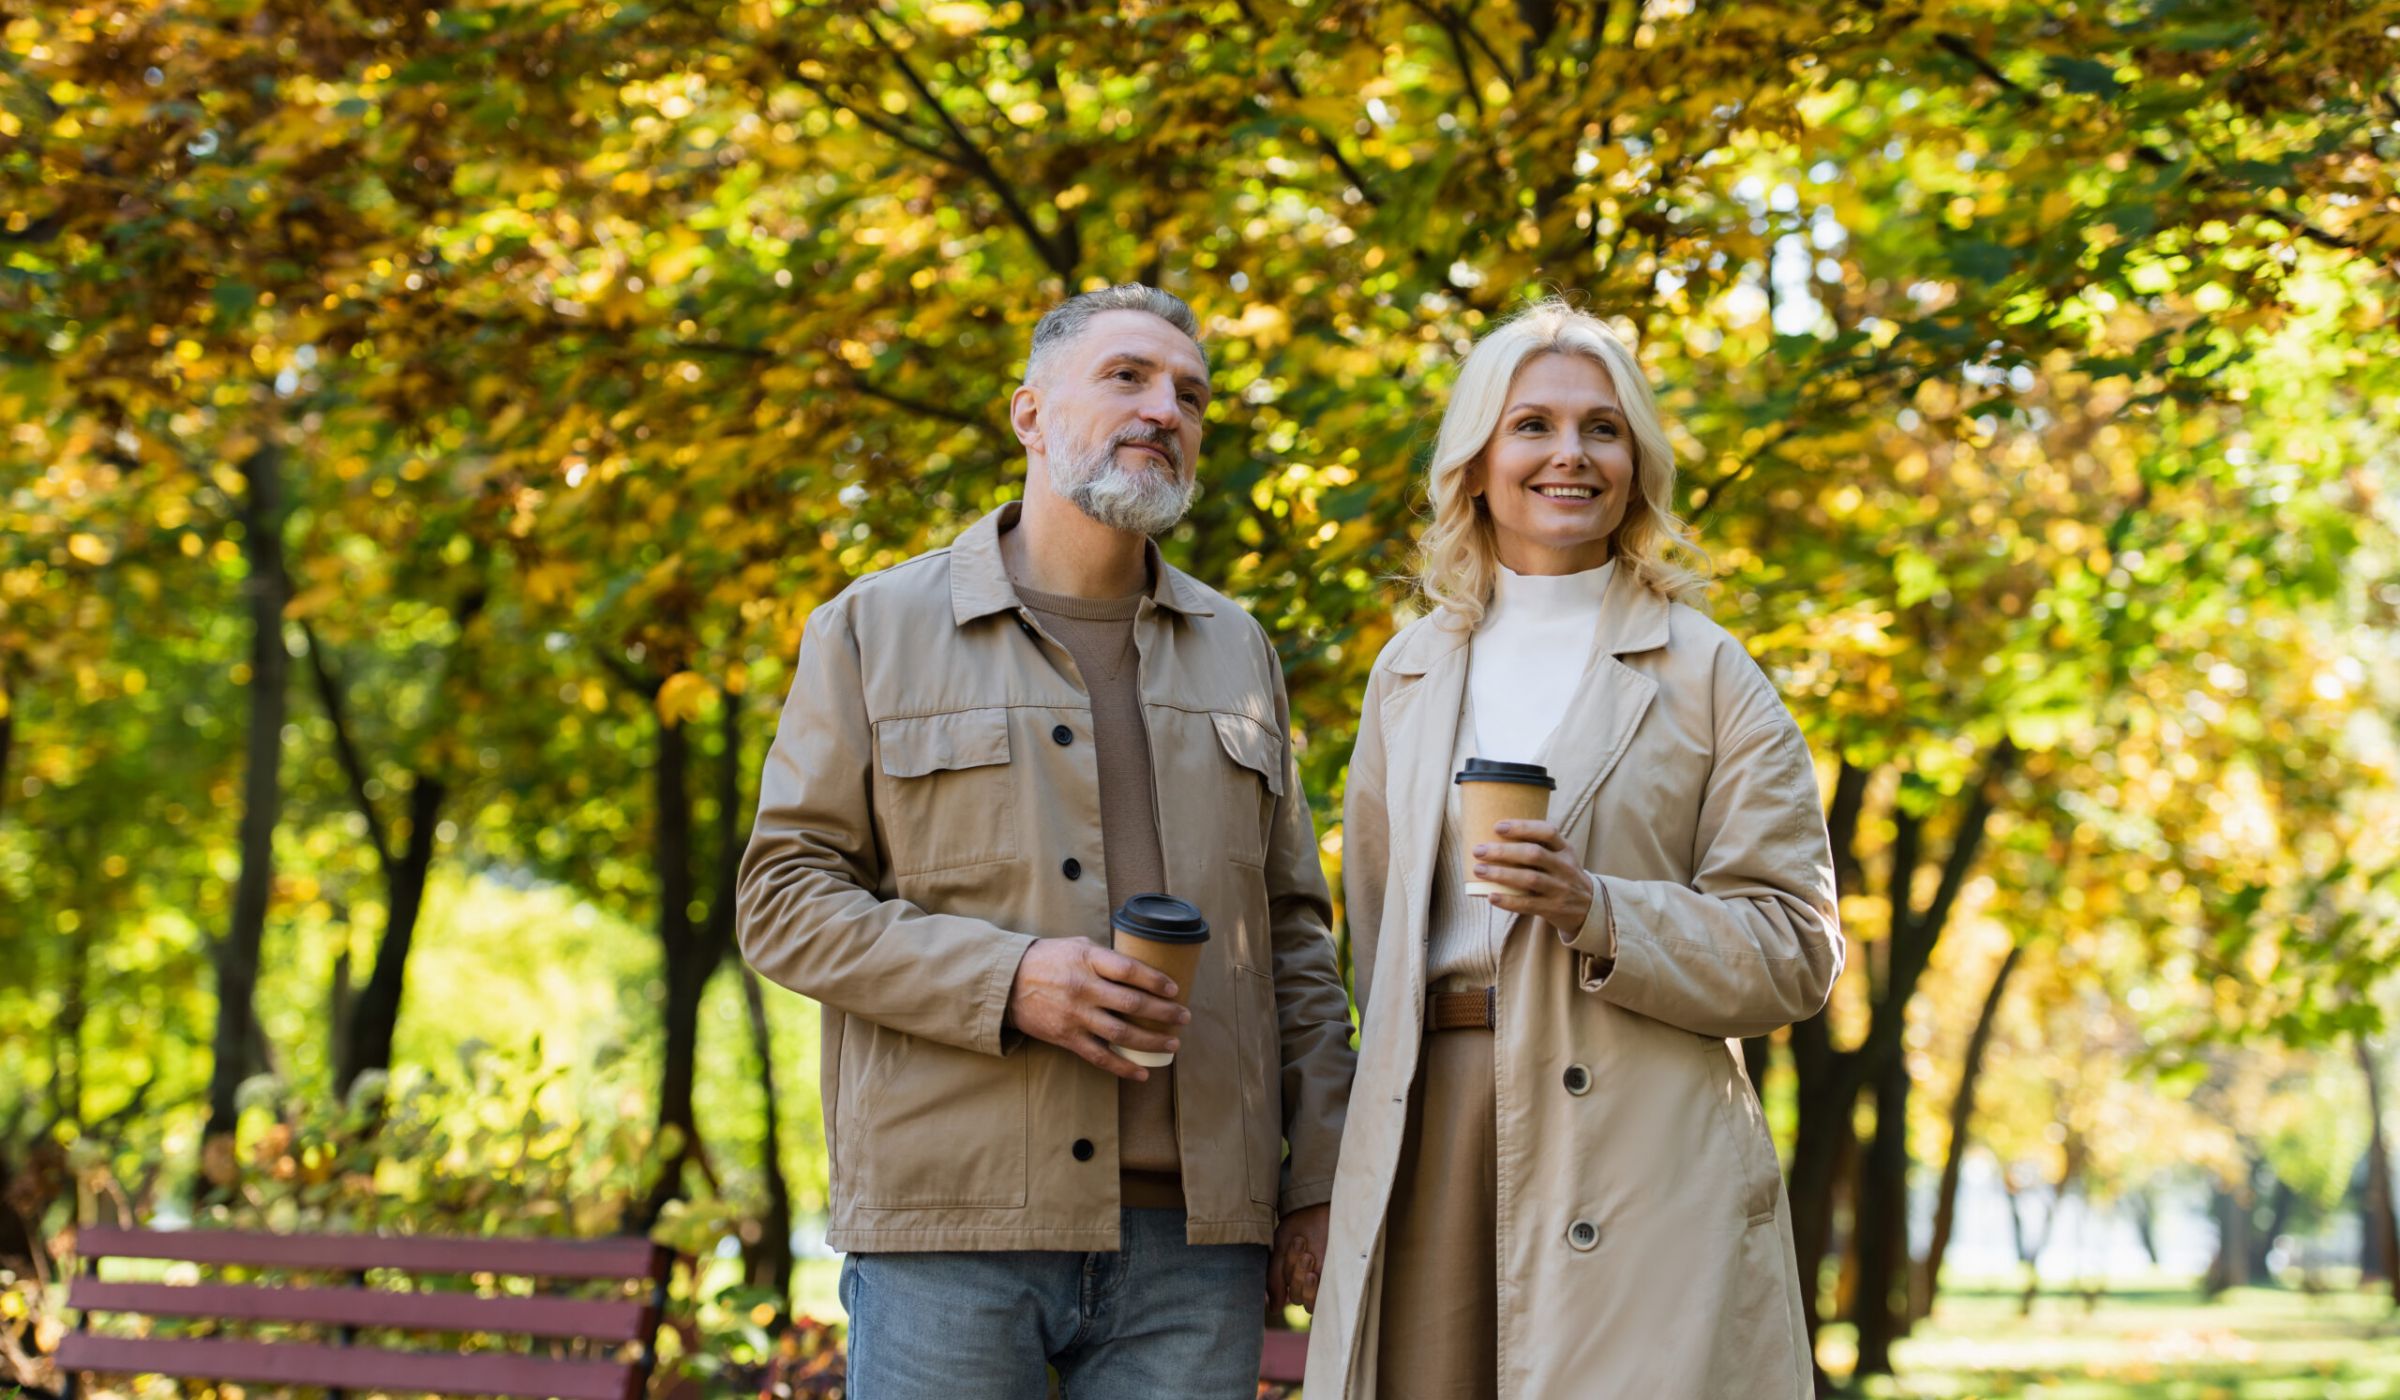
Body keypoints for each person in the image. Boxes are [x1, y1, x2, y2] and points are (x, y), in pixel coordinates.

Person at [737, 284, 1353, 1399]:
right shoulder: (874, 628)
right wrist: (1010, 979)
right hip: (951, 1226)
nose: (1165, 408)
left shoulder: (1238, 649)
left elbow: (1292, 937)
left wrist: (1318, 1176)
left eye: (1190, 395)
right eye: (1127, 377)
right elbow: (783, 899)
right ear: (1028, 412)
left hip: (1199, 1246)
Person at [1305, 299, 1844, 1398]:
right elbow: (1372, 936)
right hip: (1430, 1122)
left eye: (1603, 428)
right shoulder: (1409, 671)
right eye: (1533, 426)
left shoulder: (1707, 671)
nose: (1571, 454)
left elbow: (1795, 948)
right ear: (1476, 464)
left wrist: (1599, 908)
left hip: (1642, 1145)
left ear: (1636, 464)